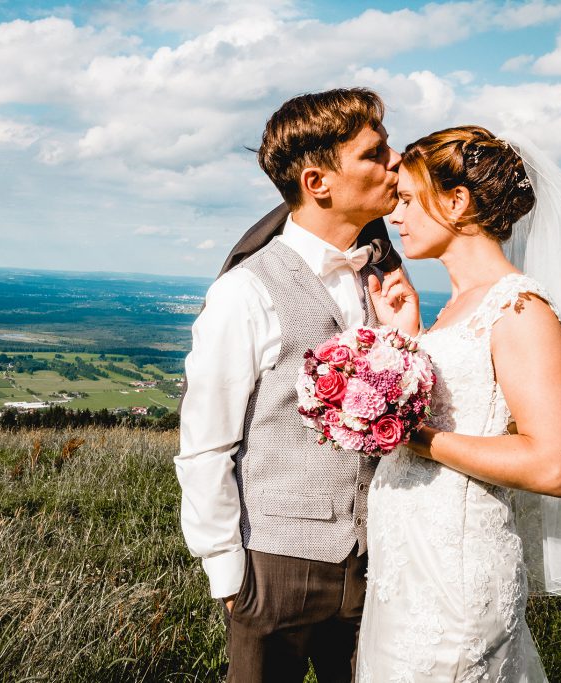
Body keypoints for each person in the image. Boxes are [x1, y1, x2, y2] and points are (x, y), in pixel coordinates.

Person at [356, 125, 561, 681]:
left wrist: (414, 435)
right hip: (406, 569)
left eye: (407, 199)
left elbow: (553, 466)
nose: (396, 215)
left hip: (455, 576)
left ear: (456, 202)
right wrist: (406, 336)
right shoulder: (457, 306)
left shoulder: (520, 310)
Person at [174, 87, 403, 682]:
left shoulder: (385, 279)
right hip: (274, 562)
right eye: (374, 154)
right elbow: (205, 444)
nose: (396, 161)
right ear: (317, 181)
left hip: (376, 562)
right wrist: (229, 575)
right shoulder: (245, 291)